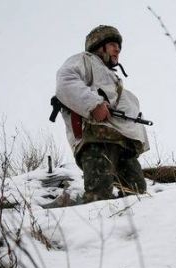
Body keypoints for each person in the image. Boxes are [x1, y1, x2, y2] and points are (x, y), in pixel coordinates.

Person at [55, 25, 149, 203]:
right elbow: (65, 81)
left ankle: (130, 231)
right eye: (113, 44)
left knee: (138, 195)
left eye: (119, 47)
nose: (118, 49)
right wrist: (93, 105)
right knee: (99, 198)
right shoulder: (84, 60)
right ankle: (67, 217)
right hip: (96, 140)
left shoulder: (113, 78)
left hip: (123, 143)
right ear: (99, 46)